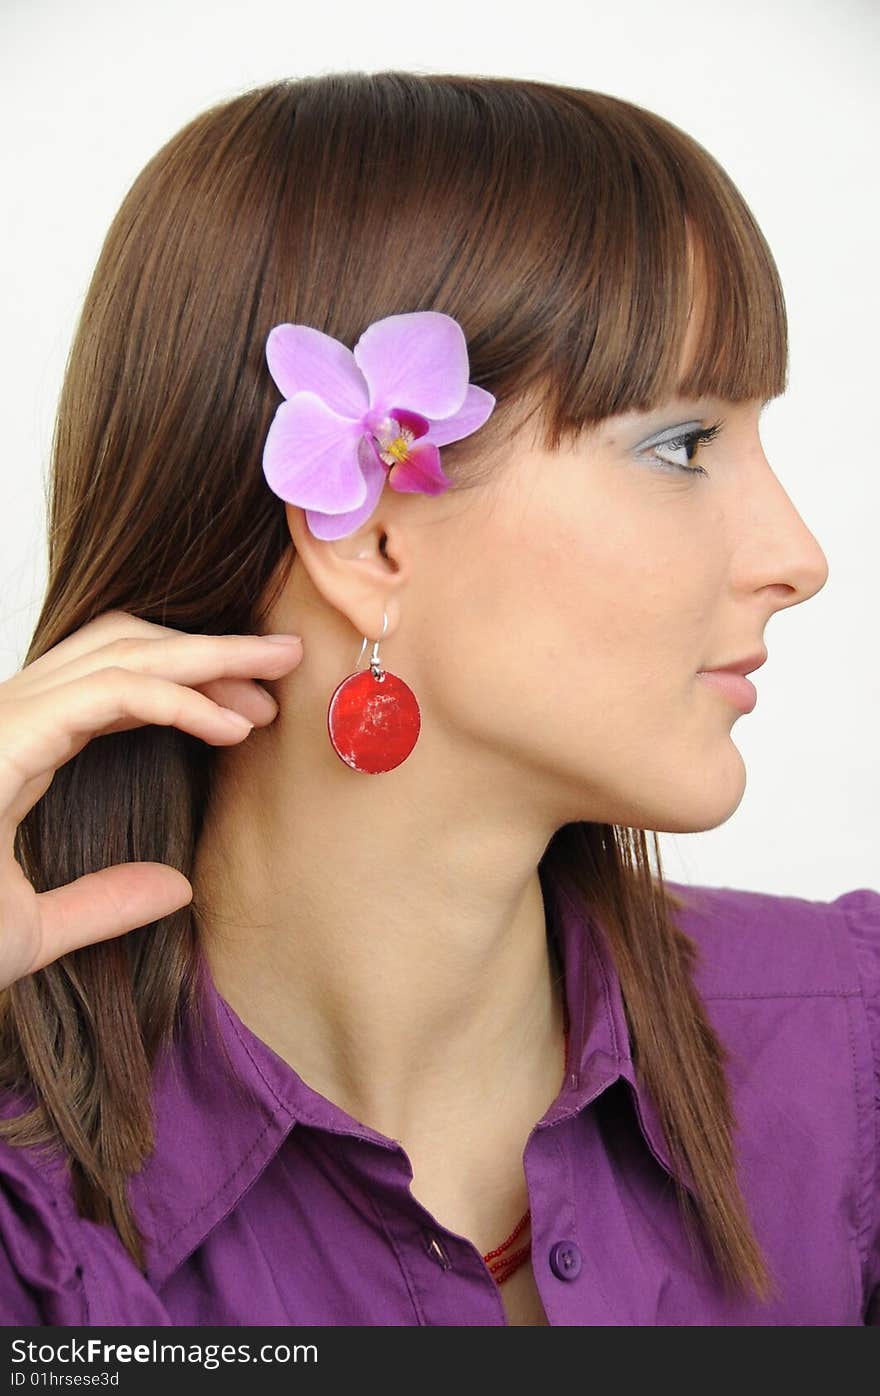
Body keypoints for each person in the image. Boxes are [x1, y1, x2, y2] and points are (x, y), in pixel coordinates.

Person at [0, 70, 876, 1328]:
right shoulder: (37, 1238)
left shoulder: (849, 1050)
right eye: (682, 445)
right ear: (369, 544)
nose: (797, 555)